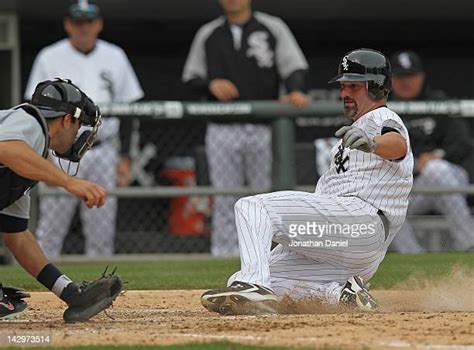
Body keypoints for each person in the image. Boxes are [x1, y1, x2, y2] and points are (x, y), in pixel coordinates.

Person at [200, 48, 414, 315]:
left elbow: (397, 145)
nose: (344, 93)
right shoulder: (356, 129)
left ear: (377, 87)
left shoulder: (381, 117)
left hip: (361, 223)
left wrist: (373, 143)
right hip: (350, 244)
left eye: (354, 86)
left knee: (254, 208)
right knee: (239, 279)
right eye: (344, 86)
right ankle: (341, 295)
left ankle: (255, 286)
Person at [182, 0, 310, 257]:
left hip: (263, 126)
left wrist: (295, 90)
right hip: (222, 128)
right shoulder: (209, 32)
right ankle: (223, 254)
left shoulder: (272, 26)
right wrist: (211, 84)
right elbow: (191, 77)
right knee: (225, 197)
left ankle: (263, 256)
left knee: (262, 197)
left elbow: (295, 66)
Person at [24, 0, 144, 258]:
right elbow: (35, 110)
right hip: (57, 152)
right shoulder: (49, 56)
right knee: (51, 228)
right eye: (78, 22)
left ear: (98, 24)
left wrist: (125, 156)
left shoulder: (115, 56)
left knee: (101, 229)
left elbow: (130, 109)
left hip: (102, 149)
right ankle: (43, 288)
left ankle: (100, 288)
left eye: (89, 22)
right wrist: (41, 152)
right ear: (68, 24)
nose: (84, 28)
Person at [0, 78, 122, 321]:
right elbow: (5, 148)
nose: (78, 134)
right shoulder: (31, 122)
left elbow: (18, 237)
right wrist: (69, 182)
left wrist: (67, 292)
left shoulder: (26, 160)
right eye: (78, 126)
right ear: (67, 119)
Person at [388, 50, 474, 253]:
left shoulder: (439, 103)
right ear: (390, 80)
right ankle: (413, 259)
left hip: (448, 180)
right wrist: (413, 162)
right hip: (408, 189)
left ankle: (469, 244)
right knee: (386, 207)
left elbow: (461, 144)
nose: (406, 82)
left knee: (437, 169)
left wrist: (437, 155)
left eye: (411, 76)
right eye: (400, 77)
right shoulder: (384, 112)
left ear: (421, 76)